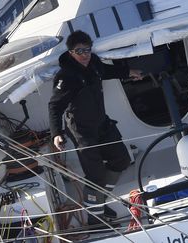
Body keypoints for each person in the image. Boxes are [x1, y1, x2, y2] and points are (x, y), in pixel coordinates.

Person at [48, 30, 142, 224]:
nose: (85, 55)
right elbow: (54, 106)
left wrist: (128, 72)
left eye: (87, 50)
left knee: (122, 160)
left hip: (101, 123)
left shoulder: (94, 63)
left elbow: (106, 72)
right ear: (71, 52)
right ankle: (95, 218)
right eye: (79, 51)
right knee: (96, 174)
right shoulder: (66, 76)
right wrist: (56, 133)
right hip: (81, 130)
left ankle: (99, 200)